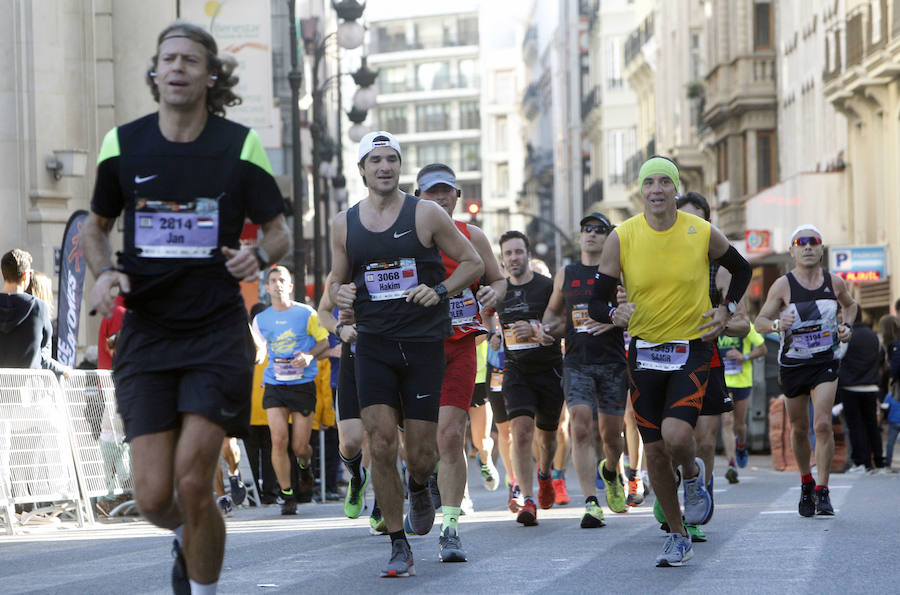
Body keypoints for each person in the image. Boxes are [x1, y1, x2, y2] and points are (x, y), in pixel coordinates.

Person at [82, 21, 290, 594]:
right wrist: (105, 275)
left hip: (215, 332)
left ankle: (204, 588)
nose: (177, 67)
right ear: (154, 71)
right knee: (153, 497)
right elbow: (95, 229)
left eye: (190, 60)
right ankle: (186, 534)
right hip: (148, 333)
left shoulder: (239, 145)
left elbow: (280, 233)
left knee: (196, 483)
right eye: (168, 58)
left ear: (209, 74)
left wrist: (257, 253)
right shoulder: (123, 143)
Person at [328, 131, 483, 578]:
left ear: (399, 166)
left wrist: (438, 290)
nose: (384, 167)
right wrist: (344, 294)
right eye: (375, 160)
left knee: (420, 451)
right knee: (379, 443)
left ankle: (419, 484)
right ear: (361, 169)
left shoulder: (427, 213)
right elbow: (337, 283)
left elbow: (471, 262)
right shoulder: (344, 223)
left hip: (422, 346)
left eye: (391, 159)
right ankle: (398, 543)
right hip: (373, 345)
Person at [588, 156, 752, 567]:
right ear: (641, 191)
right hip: (644, 352)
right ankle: (677, 535)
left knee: (679, 437)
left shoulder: (700, 231)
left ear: (675, 189)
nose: (657, 190)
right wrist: (613, 315)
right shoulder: (622, 236)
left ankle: (694, 479)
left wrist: (725, 308)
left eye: (665, 182)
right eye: (649, 183)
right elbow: (596, 300)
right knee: (655, 451)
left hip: (691, 347)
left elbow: (742, 268)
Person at [415, 163, 505, 562]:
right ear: (419, 197)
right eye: (432, 192)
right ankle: (418, 485)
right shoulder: (406, 238)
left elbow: (496, 280)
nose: (440, 199)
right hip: (414, 349)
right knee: (417, 445)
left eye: (447, 192)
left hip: (460, 346)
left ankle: (450, 527)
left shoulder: (473, 236)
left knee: (451, 435)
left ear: (456, 196)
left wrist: (492, 295)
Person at [754, 224, 856, 517]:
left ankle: (823, 491)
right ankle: (806, 481)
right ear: (792, 250)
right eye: (801, 242)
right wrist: (775, 325)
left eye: (814, 242)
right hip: (793, 364)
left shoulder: (834, 282)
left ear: (821, 248)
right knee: (798, 429)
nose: (808, 247)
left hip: (824, 360)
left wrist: (847, 326)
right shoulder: (783, 286)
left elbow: (851, 306)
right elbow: (760, 321)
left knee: (822, 424)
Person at [541, 212, 627, 529]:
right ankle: (591, 502)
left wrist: (616, 318)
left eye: (599, 230)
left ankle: (612, 470)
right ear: (580, 237)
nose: (591, 234)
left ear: (608, 238)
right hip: (577, 362)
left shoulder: (620, 273)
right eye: (586, 230)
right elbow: (552, 316)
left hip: (613, 362)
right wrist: (546, 330)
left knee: (612, 437)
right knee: (579, 427)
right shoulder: (566, 273)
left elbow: (634, 310)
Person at [495, 230, 564, 527]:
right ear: (502, 259)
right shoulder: (498, 290)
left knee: (546, 439)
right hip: (516, 370)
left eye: (518, 252)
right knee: (520, 432)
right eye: (508, 253)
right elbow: (484, 313)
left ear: (528, 254)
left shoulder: (547, 287)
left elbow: (564, 323)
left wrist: (537, 331)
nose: (514, 258)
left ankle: (545, 474)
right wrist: (491, 334)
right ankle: (528, 499)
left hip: (549, 370)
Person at [251, 266, 329, 515]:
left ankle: (305, 467)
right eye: (273, 280)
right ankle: (287, 494)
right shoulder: (261, 319)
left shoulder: (306, 313)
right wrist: (259, 356)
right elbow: (261, 349)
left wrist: (308, 356)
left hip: (302, 384)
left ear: (290, 285)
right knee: (278, 439)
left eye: (282, 280)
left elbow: (325, 341)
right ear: (267, 287)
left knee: (299, 447)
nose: (277, 284)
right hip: (275, 383)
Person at [316, 277, 373, 523]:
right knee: (349, 443)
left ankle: (382, 506)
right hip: (352, 361)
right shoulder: (343, 269)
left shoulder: (399, 252)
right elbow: (323, 312)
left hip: (388, 358)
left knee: (380, 439)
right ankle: (357, 477)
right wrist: (340, 329)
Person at [718, 320, 767, 482]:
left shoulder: (746, 327)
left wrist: (744, 356)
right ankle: (732, 463)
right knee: (727, 420)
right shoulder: (717, 326)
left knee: (740, 425)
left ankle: (741, 445)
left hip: (743, 381)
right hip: (724, 381)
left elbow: (763, 349)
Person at [837, 313, 884, 472]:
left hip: (850, 387)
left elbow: (838, 356)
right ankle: (879, 462)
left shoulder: (846, 334)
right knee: (872, 425)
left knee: (856, 426)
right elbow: (880, 358)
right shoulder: (874, 336)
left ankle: (861, 462)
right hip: (871, 386)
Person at [1, 249, 54, 370]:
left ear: (2, 273)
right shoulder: (39, 307)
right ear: (25, 275)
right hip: (29, 386)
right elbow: (44, 353)